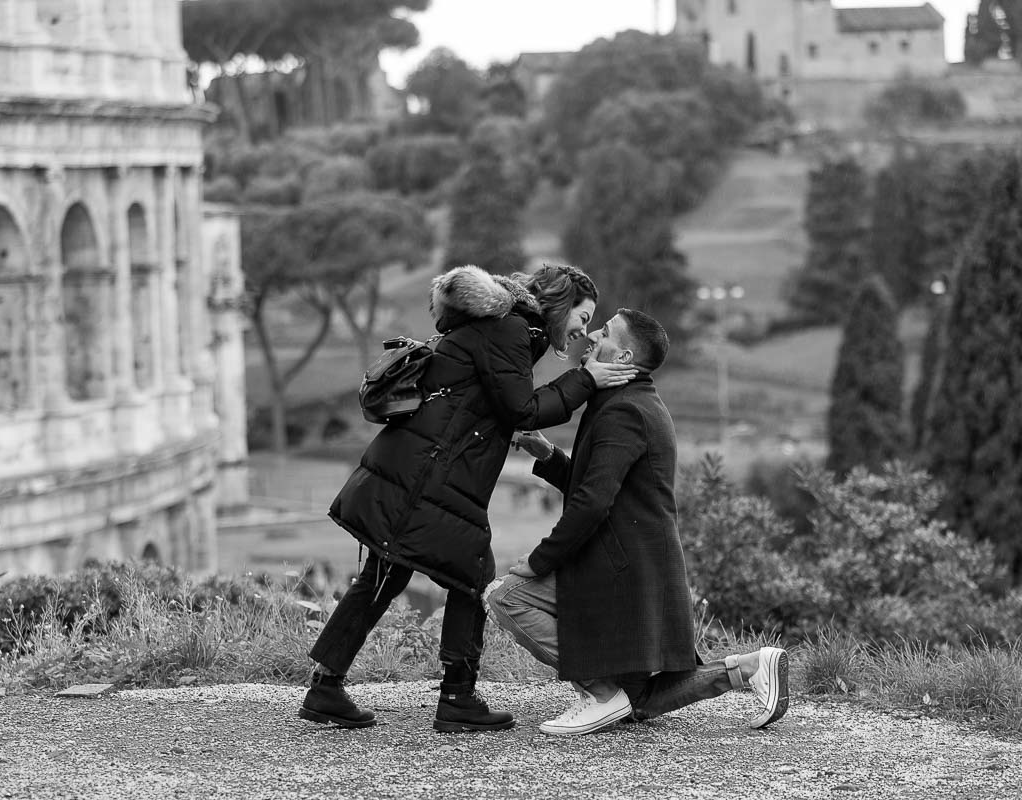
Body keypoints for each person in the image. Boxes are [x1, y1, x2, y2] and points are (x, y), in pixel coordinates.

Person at [299, 264, 636, 733]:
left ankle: (327, 685)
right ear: (560, 307)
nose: (583, 329)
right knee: (471, 573)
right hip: (431, 474)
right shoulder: (511, 329)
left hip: (421, 468)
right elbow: (524, 409)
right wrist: (588, 380)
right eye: (582, 316)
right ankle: (456, 697)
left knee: (388, 572)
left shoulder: (510, 328)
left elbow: (503, 406)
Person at [488, 308, 789, 736]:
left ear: (624, 357)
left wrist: (540, 561)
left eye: (605, 332)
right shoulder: (630, 401)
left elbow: (593, 501)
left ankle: (597, 691)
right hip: (639, 564)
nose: (591, 336)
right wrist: (550, 457)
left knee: (507, 597)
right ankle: (751, 668)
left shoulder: (623, 411)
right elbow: (605, 482)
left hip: (619, 569)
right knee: (636, 700)